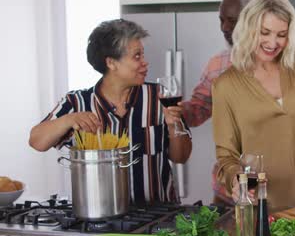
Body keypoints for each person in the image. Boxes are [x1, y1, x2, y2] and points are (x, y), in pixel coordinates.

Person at [182, 0, 295, 205]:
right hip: (259, 205)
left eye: (281, 35)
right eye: (264, 33)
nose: (273, 43)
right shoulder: (225, 83)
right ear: (249, 27)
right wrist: (237, 182)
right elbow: (227, 156)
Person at [29, 19, 192, 204]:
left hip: (158, 217)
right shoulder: (76, 102)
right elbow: (36, 141)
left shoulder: (159, 96)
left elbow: (181, 157)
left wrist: (174, 126)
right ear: (111, 63)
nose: (145, 63)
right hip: (100, 216)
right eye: (137, 56)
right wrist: (68, 120)